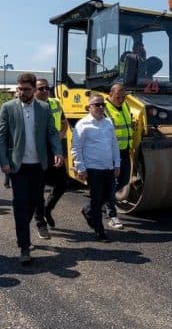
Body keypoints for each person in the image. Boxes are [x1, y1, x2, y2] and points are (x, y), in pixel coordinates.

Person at [0, 73, 63, 264]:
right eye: (19, 89)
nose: (21, 92)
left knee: (34, 202)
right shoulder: (8, 108)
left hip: (38, 165)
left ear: (33, 89)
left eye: (26, 89)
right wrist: (4, 161)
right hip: (18, 166)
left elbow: (52, 132)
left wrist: (58, 151)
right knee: (20, 204)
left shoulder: (44, 108)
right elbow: (1, 137)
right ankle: (24, 247)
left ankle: (24, 231)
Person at [72, 94, 119, 241]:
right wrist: (81, 168)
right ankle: (100, 231)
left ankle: (88, 211)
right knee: (97, 199)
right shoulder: (82, 125)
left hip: (108, 167)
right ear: (89, 107)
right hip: (93, 168)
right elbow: (76, 148)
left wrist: (117, 163)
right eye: (96, 104)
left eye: (102, 105)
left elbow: (114, 144)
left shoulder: (108, 123)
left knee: (108, 197)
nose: (100, 107)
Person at [34, 77, 68, 233]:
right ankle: (40, 221)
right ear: (34, 90)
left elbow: (64, 122)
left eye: (47, 88)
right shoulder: (31, 106)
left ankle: (47, 209)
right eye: (40, 88)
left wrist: (59, 138)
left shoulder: (55, 103)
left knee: (62, 183)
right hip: (38, 151)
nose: (45, 91)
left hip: (54, 149)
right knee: (38, 188)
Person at [102, 82, 133, 230]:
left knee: (124, 179)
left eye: (123, 96)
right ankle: (112, 216)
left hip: (125, 150)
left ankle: (97, 202)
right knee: (111, 184)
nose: (121, 99)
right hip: (110, 153)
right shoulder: (104, 109)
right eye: (118, 96)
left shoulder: (125, 105)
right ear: (110, 95)